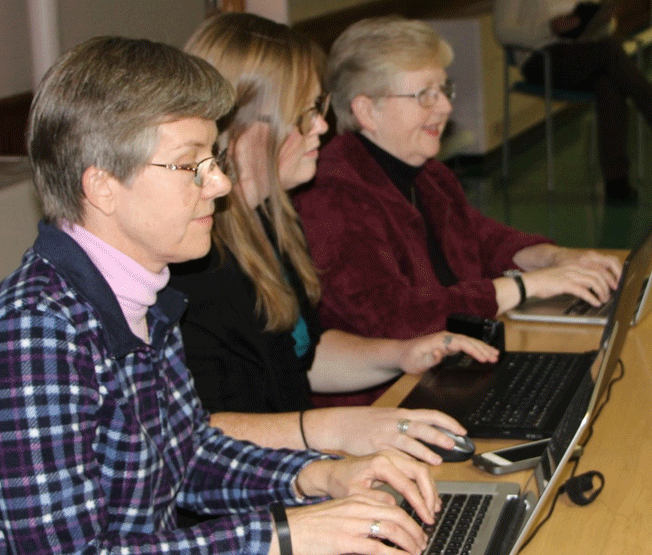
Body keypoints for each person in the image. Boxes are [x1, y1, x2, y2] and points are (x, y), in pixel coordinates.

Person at [0, 36, 441, 555]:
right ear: (103, 187)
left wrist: (315, 476)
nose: (220, 183)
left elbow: (188, 455)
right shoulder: (33, 337)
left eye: (214, 159)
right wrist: (280, 532)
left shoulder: (142, 297)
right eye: (191, 165)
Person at [170, 13, 498, 442]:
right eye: (306, 114)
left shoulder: (274, 219)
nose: (322, 128)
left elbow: (304, 354)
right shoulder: (192, 264)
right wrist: (335, 429)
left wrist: (402, 353)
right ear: (243, 126)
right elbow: (198, 434)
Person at [294, 17, 623, 363]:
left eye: (443, 90)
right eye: (425, 96)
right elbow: (393, 318)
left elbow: (480, 238)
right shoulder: (331, 195)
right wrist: (527, 287)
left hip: (458, 358)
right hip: (391, 396)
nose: (445, 107)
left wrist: (554, 259)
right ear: (366, 111)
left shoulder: (428, 174)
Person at [492, 0, 652, 202]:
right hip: (540, 58)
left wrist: (604, 21)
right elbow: (503, 32)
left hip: (582, 52)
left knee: (608, 82)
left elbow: (602, 27)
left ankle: (616, 181)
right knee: (609, 51)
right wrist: (550, 28)